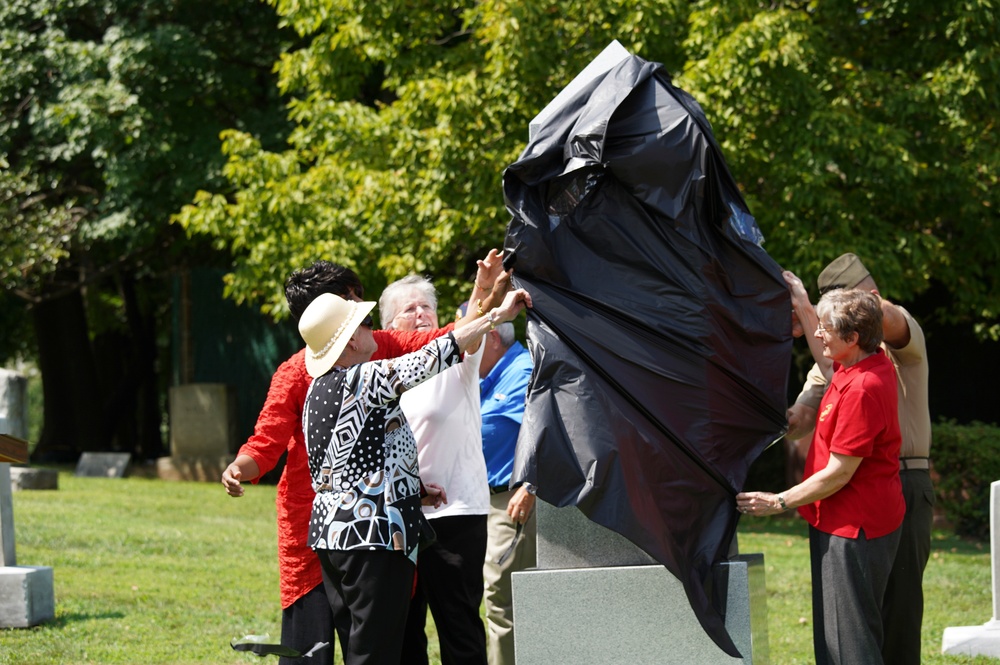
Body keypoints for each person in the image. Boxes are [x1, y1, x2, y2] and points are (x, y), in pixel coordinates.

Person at [221, 254, 507, 663]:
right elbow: (266, 441)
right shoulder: (311, 374)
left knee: (389, 639)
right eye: (351, 303)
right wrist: (240, 468)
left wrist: (412, 492)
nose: (364, 311)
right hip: (337, 527)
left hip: (344, 522)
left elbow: (444, 338)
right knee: (320, 647)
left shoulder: (374, 350)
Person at [298, 286, 531, 665]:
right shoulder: (366, 379)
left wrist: (411, 491)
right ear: (351, 343)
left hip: (330, 535)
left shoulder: (316, 392)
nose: (373, 329)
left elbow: (347, 463)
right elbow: (435, 355)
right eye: (365, 324)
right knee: (378, 653)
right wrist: (495, 317)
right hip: (370, 537)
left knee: (359, 647)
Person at [737, 288, 905, 665]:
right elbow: (826, 367)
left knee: (850, 645)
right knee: (839, 637)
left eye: (825, 328)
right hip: (841, 521)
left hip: (854, 528)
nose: (817, 334)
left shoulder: (862, 388)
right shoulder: (860, 364)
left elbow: (839, 474)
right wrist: (799, 299)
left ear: (852, 338)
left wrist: (778, 501)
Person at [785, 254, 933, 665]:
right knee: (845, 626)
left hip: (904, 481)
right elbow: (800, 420)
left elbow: (886, 315)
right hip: (847, 493)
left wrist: (809, 307)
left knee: (898, 619)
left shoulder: (899, 341)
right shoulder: (834, 362)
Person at [383, 276, 491, 665]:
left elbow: (472, 328)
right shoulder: (384, 374)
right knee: (406, 632)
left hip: (456, 513)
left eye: (426, 306)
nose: (421, 313)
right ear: (390, 325)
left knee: (459, 627)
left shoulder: (459, 359)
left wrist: (481, 289)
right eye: (409, 309)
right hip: (399, 516)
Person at [477, 319, 535, 665]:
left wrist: (530, 484)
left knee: (500, 596)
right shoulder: (491, 373)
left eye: (473, 337)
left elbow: (548, 432)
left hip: (510, 502)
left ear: (493, 337)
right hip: (482, 500)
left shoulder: (523, 370)